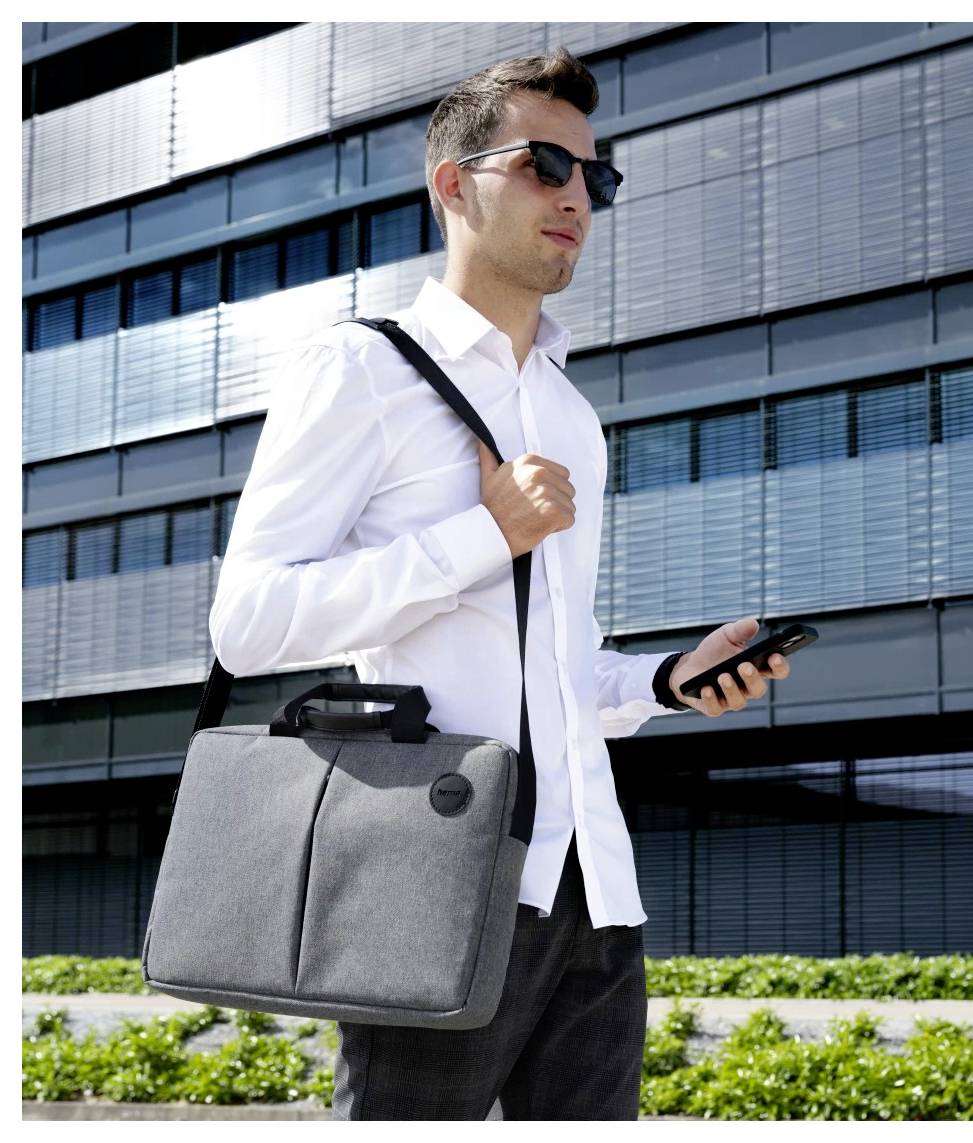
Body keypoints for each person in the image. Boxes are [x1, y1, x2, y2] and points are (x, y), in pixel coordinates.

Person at [208, 45, 790, 1121]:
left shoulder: (571, 415)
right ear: (451, 184)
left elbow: (557, 675)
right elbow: (249, 621)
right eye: (545, 166)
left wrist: (666, 681)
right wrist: (484, 534)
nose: (578, 197)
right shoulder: (363, 368)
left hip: (595, 894)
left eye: (596, 178)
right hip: (437, 872)